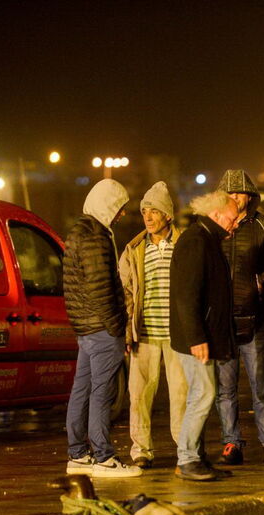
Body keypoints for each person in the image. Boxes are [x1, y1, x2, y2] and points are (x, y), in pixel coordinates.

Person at [63, 179, 141, 477]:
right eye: (119, 208)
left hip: (85, 328)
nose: (122, 214)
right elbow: (101, 288)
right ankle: (104, 457)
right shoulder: (96, 236)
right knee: (101, 393)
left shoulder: (78, 231)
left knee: (81, 389)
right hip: (102, 328)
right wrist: (116, 325)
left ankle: (77, 454)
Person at [214, 170, 264, 466]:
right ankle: (231, 442)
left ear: (250, 196)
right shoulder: (214, 226)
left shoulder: (263, 226)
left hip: (255, 319)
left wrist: (261, 281)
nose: (235, 197)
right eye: (230, 193)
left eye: (240, 192)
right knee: (225, 389)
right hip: (222, 322)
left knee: (262, 386)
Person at [170, 190, 240, 481]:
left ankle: (196, 457)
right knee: (204, 393)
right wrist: (196, 337)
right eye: (233, 218)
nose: (236, 223)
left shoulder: (206, 239)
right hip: (195, 338)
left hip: (202, 334)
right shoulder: (196, 241)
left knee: (201, 394)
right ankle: (187, 459)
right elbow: (187, 295)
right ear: (216, 215)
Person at [118, 181, 186, 469]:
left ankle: (185, 449)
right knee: (139, 394)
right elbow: (126, 293)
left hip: (178, 335)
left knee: (181, 394)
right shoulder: (134, 249)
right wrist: (127, 331)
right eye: (144, 211)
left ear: (167, 215)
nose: (147, 217)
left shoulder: (184, 245)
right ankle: (141, 450)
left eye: (154, 211)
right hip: (144, 333)